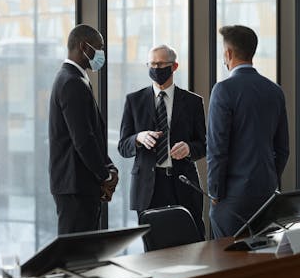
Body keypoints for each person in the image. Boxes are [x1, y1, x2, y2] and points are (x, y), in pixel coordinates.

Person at [207, 25, 290, 238]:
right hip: (266, 194)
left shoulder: (223, 89)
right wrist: (268, 178)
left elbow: (217, 148)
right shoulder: (274, 91)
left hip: (232, 198)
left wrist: (215, 192)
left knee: (230, 263)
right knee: (263, 260)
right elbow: (282, 150)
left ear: (228, 53)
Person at [118, 44, 206, 236]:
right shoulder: (134, 100)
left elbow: (203, 144)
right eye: (152, 64)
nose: (156, 69)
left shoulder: (192, 102)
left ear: (174, 67)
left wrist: (189, 148)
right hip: (148, 187)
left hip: (182, 183)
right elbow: (123, 146)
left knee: (190, 242)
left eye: (161, 64)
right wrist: (138, 138)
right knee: (153, 247)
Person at [49, 24, 119, 235]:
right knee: (75, 257)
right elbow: (83, 140)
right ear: (83, 47)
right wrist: (106, 176)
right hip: (76, 187)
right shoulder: (72, 82)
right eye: (99, 47)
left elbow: (89, 135)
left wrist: (108, 167)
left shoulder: (71, 79)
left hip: (77, 186)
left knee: (82, 255)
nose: (102, 53)